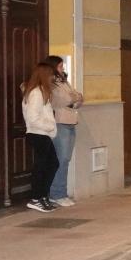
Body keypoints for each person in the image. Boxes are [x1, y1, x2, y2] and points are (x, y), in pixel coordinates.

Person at [43, 55, 84, 207]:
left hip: (71, 122)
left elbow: (79, 98)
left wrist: (75, 98)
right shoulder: (51, 83)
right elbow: (65, 99)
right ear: (53, 67)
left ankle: (61, 192)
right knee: (61, 159)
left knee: (65, 159)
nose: (63, 69)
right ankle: (56, 194)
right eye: (60, 66)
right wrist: (74, 97)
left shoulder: (63, 81)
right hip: (60, 123)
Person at [22, 62, 60, 212]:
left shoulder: (42, 91)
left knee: (51, 164)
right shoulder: (36, 93)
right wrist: (49, 126)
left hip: (43, 134)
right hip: (38, 134)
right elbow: (33, 118)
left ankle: (42, 195)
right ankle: (36, 198)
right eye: (51, 75)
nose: (52, 78)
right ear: (44, 75)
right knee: (43, 166)